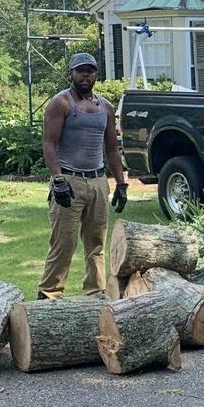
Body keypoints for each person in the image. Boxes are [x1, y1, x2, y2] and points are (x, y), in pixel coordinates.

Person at [37, 52, 128, 300]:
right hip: (69, 180)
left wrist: (121, 183)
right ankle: (50, 294)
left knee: (96, 244)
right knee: (63, 243)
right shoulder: (61, 103)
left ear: (96, 74)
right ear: (71, 74)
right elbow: (49, 144)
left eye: (90, 71)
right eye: (80, 71)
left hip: (98, 181)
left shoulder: (105, 107)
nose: (85, 75)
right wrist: (58, 180)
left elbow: (111, 148)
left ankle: (95, 293)